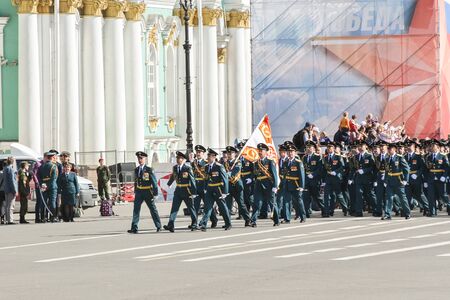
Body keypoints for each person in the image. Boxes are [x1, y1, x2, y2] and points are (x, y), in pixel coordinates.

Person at [163, 151, 197, 232]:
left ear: (184, 160)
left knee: (191, 208)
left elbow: (192, 180)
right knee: (174, 208)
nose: (178, 160)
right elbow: (173, 176)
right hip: (178, 190)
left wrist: (193, 192)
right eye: (177, 158)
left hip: (187, 190)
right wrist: (169, 183)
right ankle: (170, 225)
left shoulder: (187, 168)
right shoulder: (175, 167)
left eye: (181, 158)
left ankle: (194, 223)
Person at [198, 148, 231, 231]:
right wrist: (205, 188)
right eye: (208, 156)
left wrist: (225, 192)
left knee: (222, 207)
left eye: (209, 156)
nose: (208, 158)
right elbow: (206, 179)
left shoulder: (219, 166)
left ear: (214, 157)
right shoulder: (206, 167)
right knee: (207, 207)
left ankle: (228, 223)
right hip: (209, 189)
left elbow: (225, 179)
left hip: (218, 189)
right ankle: (204, 224)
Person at [128, 151, 161, 233]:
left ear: (145, 159)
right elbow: (136, 181)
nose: (140, 160)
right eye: (139, 158)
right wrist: (135, 191)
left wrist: (155, 193)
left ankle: (158, 226)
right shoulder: (136, 170)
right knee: (136, 209)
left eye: (141, 158)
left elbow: (154, 182)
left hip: (147, 191)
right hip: (139, 192)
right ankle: (134, 227)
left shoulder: (149, 169)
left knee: (153, 209)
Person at [251, 143, 280, 227]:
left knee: (272, 203)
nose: (260, 152)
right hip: (258, 185)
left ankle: (276, 220)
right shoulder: (256, 163)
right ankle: (253, 221)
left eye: (262, 151)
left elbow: (274, 175)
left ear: (266, 152)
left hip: (268, 185)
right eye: (259, 151)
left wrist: (275, 186)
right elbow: (255, 174)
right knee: (257, 203)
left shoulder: (270, 162)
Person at [224, 146, 251, 227]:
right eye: (228, 153)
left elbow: (236, 171)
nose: (229, 155)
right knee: (227, 205)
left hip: (237, 186)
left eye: (231, 153)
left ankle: (247, 220)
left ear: (235, 154)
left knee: (241, 204)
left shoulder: (238, 162)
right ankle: (228, 223)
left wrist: (228, 173)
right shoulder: (225, 163)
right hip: (228, 186)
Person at [192, 145, 218, 228]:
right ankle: (194, 223)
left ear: (203, 153)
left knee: (207, 205)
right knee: (195, 205)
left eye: (200, 152)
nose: (198, 153)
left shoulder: (206, 163)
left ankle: (214, 219)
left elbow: (207, 176)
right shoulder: (193, 163)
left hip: (204, 186)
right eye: (197, 152)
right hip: (196, 186)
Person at [382, 143, 410, 220]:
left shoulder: (400, 158)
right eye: (388, 149)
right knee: (388, 198)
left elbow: (406, 169)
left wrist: (405, 180)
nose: (389, 151)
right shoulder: (387, 158)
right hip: (390, 181)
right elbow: (387, 170)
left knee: (402, 198)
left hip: (398, 180)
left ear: (394, 150)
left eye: (390, 149)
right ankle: (388, 214)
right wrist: (385, 180)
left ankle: (407, 213)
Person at [424, 140, 450, 217]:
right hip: (431, 179)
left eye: (434, 146)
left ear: (437, 148)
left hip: (440, 178)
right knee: (431, 196)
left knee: (443, 195)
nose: (432, 148)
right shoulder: (428, 157)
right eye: (431, 146)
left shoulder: (443, 156)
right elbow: (426, 169)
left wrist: (444, 176)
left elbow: (447, 167)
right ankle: (432, 212)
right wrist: (426, 180)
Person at [350, 141, 376, 217]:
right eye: (359, 146)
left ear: (366, 147)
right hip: (358, 179)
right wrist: (351, 178)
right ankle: (359, 211)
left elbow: (372, 167)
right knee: (359, 194)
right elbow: (354, 168)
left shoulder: (369, 156)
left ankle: (376, 209)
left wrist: (364, 170)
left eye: (362, 146)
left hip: (367, 179)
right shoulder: (356, 156)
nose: (360, 147)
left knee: (370, 195)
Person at [282, 144, 307, 223]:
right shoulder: (285, 162)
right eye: (289, 152)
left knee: (299, 201)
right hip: (287, 184)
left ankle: (303, 217)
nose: (290, 153)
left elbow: (302, 175)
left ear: (295, 153)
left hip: (296, 184)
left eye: (292, 152)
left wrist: (301, 186)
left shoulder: (298, 162)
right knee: (286, 201)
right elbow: (285, 174)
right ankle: (287, 218)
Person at [322, 142, 347, 217]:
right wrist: (323, 180)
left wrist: (335, 172)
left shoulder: (338, 157)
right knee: (326, 196)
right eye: (328, 148)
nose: (329, 149)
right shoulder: (325, 158)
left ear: (333, 149)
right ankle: (327, 212)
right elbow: (324, 169)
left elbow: (342, 167)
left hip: (336, 178)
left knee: (339, 195)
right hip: (328, 179)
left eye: (331, 147)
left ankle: (345, 209)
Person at [404, 140, 429, 215]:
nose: (409, 148)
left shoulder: (418, 157)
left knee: (419, 195)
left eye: (411, 146)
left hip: (416, 179)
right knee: (407, 195)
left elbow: (422, 168)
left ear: (414, 148)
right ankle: (406, 211)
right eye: (408, 146)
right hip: (408, 179)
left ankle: (427, 208)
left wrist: (417, 174)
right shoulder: (404, 157)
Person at [302, 141, 323, 217]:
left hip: (314, 180)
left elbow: (320, 169)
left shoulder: (318, 157)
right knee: (306, 197)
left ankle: (324, 210)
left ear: (313, 148)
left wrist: (313, 174)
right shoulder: (304, 158)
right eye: (307, 147)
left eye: (310, 147)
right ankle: (306, 213)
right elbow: (303, 169)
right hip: (307, 180)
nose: (308, 149)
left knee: (317, 197)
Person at [38, 152, 59, 222]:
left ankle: (44, 217)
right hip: (52, 187)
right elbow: (54, 178)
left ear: (47, 157)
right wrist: (48, 185)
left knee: (44, 202)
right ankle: (53, 217)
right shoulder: (54, 166)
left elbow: (39, 177)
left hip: (44, 186)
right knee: (52, 202)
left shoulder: (41, 166)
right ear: (52, 158)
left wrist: (43, 185)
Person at [3, 157, 18, 225]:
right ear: (12, 162)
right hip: (11, 190)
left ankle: (7, 219)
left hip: (6, 189)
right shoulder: (11, 169)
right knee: (11, 205)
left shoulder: (5, 168)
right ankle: (10, 220)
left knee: (7, 205)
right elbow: (12, 181)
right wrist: (15, 190)